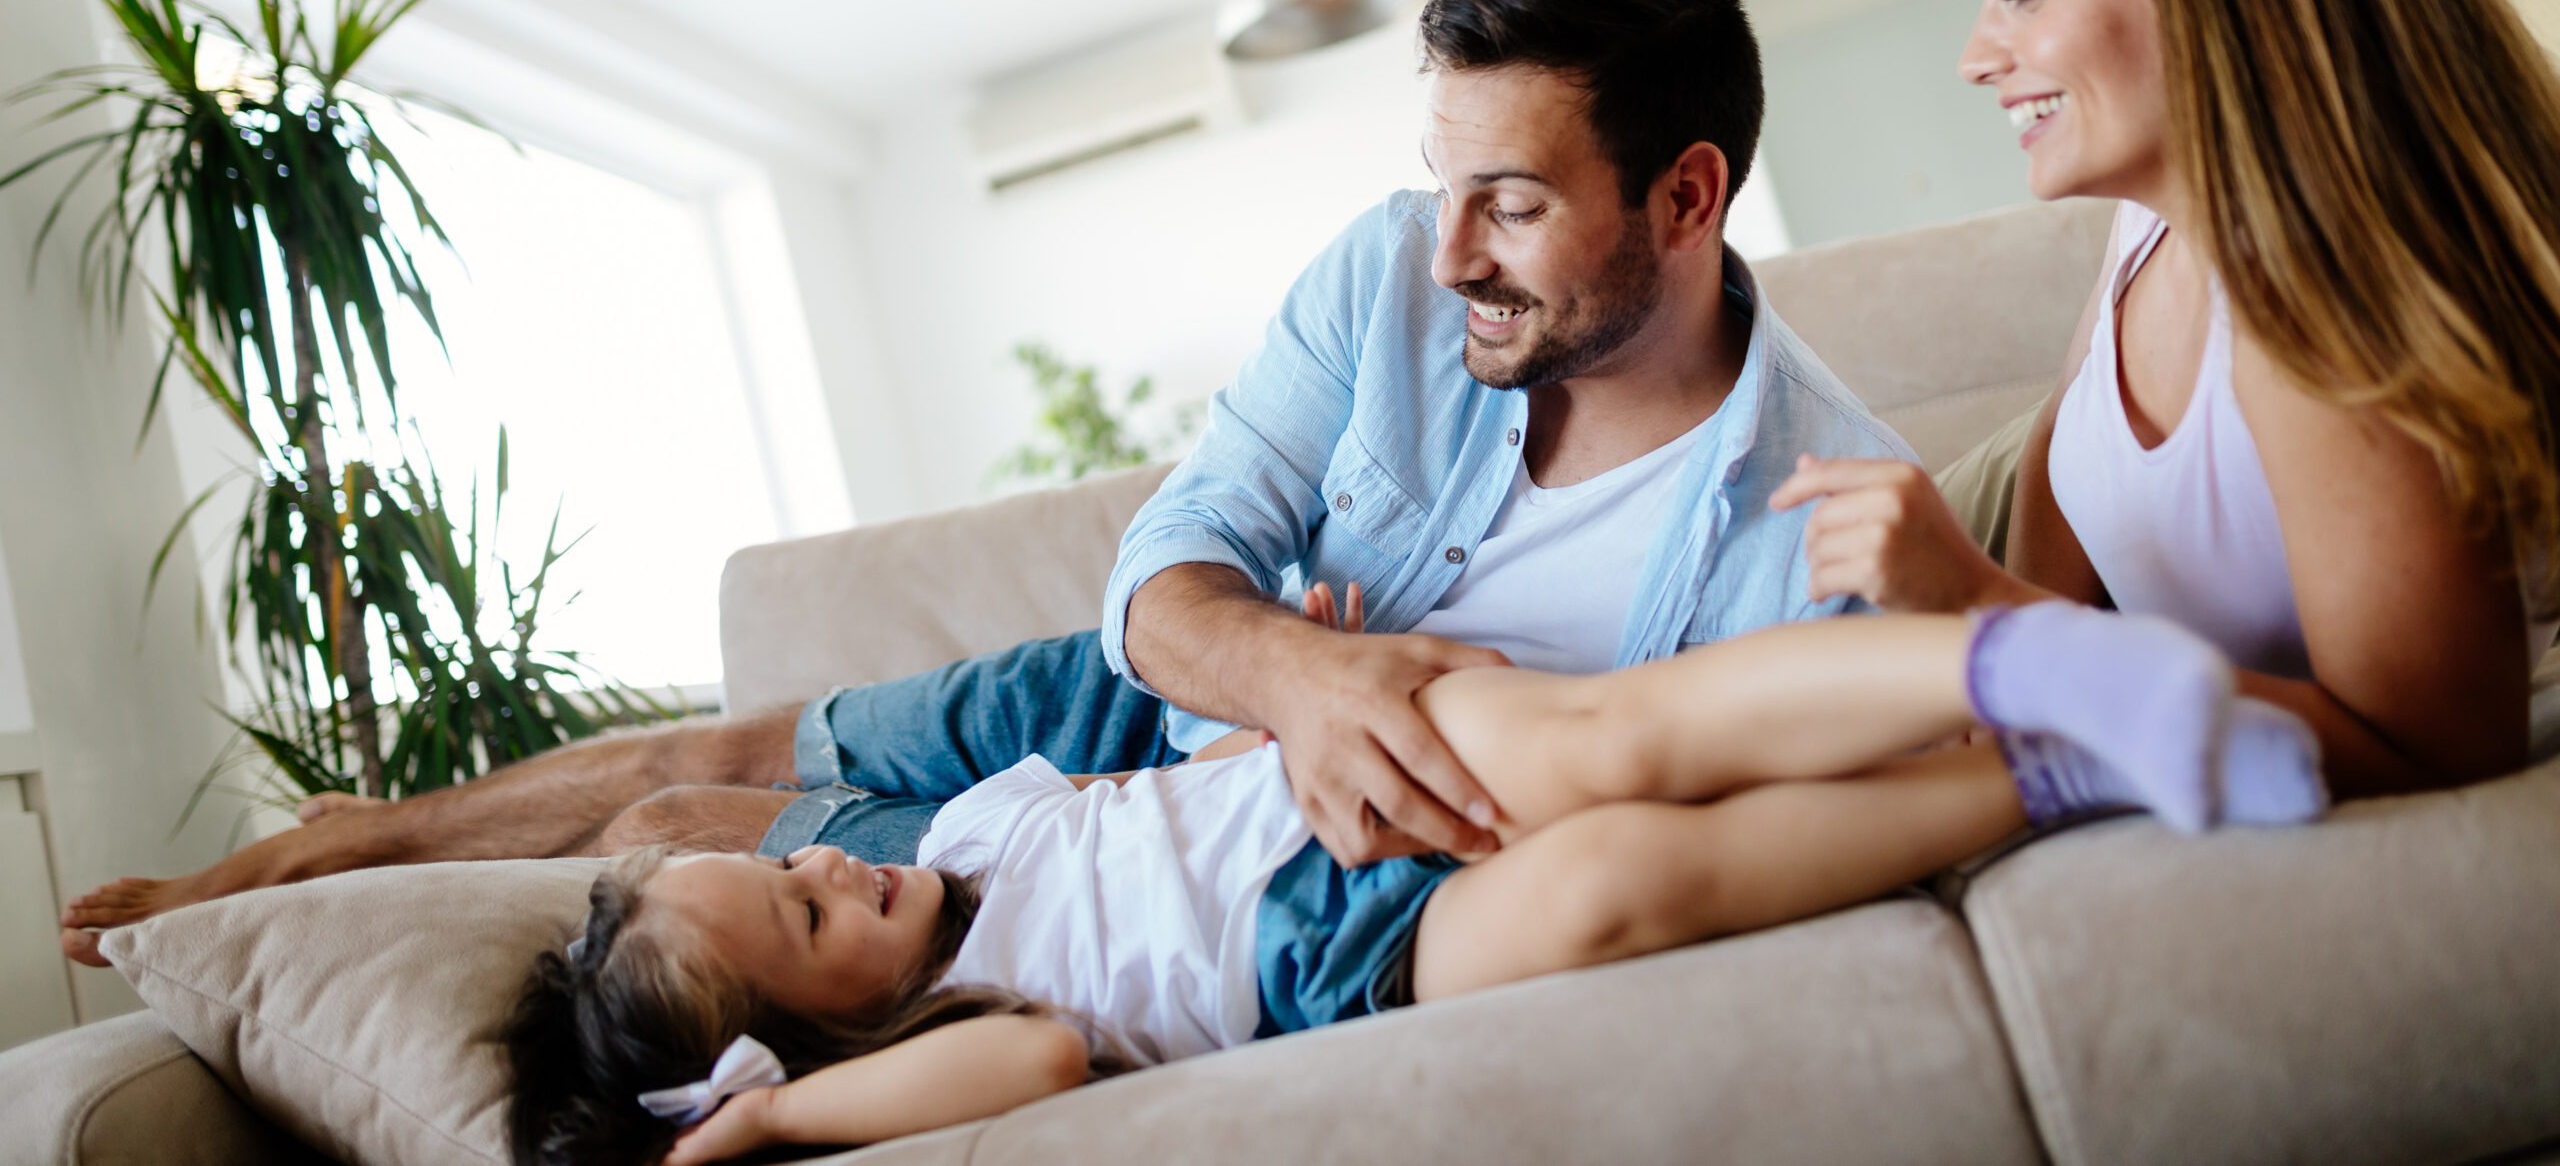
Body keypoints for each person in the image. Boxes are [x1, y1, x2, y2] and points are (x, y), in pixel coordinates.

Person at [62, 0, 1917, 961]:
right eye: (1442, 187)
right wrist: (1293, 669)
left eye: (1509, 203)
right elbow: (1168, 566)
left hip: (1213, 846)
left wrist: (1335, 744)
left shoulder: (1809, 523)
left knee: (673, 825)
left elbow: (1689, 833)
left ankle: (392, 853)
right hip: (1169, 691)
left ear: (1686, 196)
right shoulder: (1389, 273)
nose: (1446, 256)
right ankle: (324, 845)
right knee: (713, 740)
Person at [502, 600, 2328, 1166]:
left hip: (1334, 786)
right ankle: (2052, 774)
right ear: (818, 1040)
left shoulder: (968, 827)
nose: (832, 863)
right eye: (808, 917)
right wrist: (767, 1127)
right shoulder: (949, 1047)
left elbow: (1164, 770)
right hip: (1331, 961)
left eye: (794, 863)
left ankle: (2018, 665)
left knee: (1614, 739)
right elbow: (1038, 1064)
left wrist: (1293, 690)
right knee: (1615, 886)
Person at [1773, 0, 2560, 809]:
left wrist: (1984, 611)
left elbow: (2437, 750)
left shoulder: (2327, 328)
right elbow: (2060, 447)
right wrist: (1994, 654)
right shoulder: (2149, 228)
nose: (1975, 57)